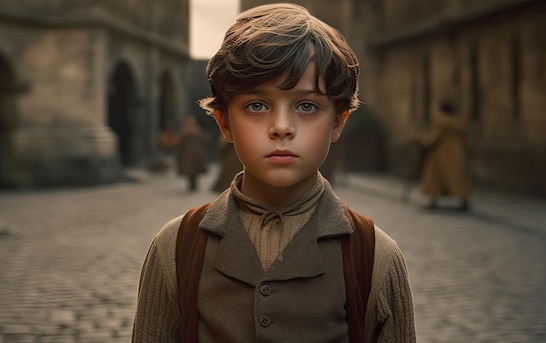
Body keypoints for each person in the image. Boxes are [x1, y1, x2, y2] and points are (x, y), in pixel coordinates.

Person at [132, 4, 416, 342]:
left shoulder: (374, 258)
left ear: (337, 122)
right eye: (257, 105)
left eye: (307, 106)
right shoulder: (176, 248)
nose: (281, 127)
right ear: (225, 122)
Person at [417, 100, 470, 210]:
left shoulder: (441, 122)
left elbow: (436, 136)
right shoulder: (458, 123)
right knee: (456, 178)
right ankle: (463, 201)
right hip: (457, 154)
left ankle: (433, 201)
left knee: (435, 178)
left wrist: (424, 143)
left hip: (441, 154)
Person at [175, 115, 208, 191]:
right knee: (190, 171)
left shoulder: (195, 130)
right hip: (188, 154)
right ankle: (192, 186)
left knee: (194, 171)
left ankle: (194, 186)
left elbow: (202, 140)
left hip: (195, 153)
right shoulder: (185, 131)